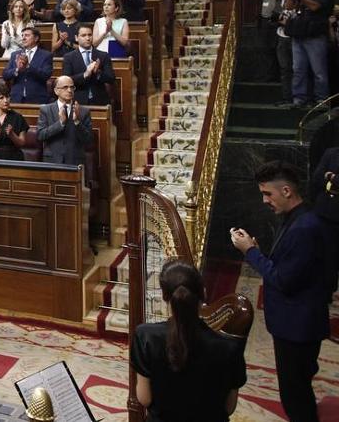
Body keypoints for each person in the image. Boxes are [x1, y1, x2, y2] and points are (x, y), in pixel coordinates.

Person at [230, 162, 332, 422]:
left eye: (268, 194)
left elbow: (283, 280)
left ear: (286, 191)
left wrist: (250, 252)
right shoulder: (298, 217)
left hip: (297, 326)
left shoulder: (305, 228)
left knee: (295, 393)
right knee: (297, 386)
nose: (264, 200)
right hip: (296, 321)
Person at [130, 259, 246, 422]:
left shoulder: (145, 336)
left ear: (165, 297)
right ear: (203, 293)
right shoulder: (229, 348)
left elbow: (144, 399)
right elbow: (229, 407)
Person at [37, 76, 93, 165]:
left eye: (72, 87)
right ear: (56, 91)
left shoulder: (83, 111)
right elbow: (40, 135)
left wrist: (77, 122)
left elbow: (88, 139)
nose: (70, 90)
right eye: (65, 87)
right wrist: (60, 124)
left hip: (75, 161)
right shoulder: (46, 110)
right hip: (52, 161)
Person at [64, 25, 115, 107]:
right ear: (76, 38)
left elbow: (111, 78)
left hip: (99, 101)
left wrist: (98, 72)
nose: (88, 38)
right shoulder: (69, 57)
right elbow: (67, 80)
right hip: (78, 101)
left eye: (90, 35)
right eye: (83, 35)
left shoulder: (103, 55)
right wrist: (85, 75)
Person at [2, 26, 53, 104]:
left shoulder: (46, 55)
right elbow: (5, 75)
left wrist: (28, 66)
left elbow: (46, 75)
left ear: (36, 38)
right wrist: (17, 69)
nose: (23, 38)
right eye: (22, 35)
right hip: (16, 98)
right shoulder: (15, 54)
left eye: (27, 35)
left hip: (37, 98)